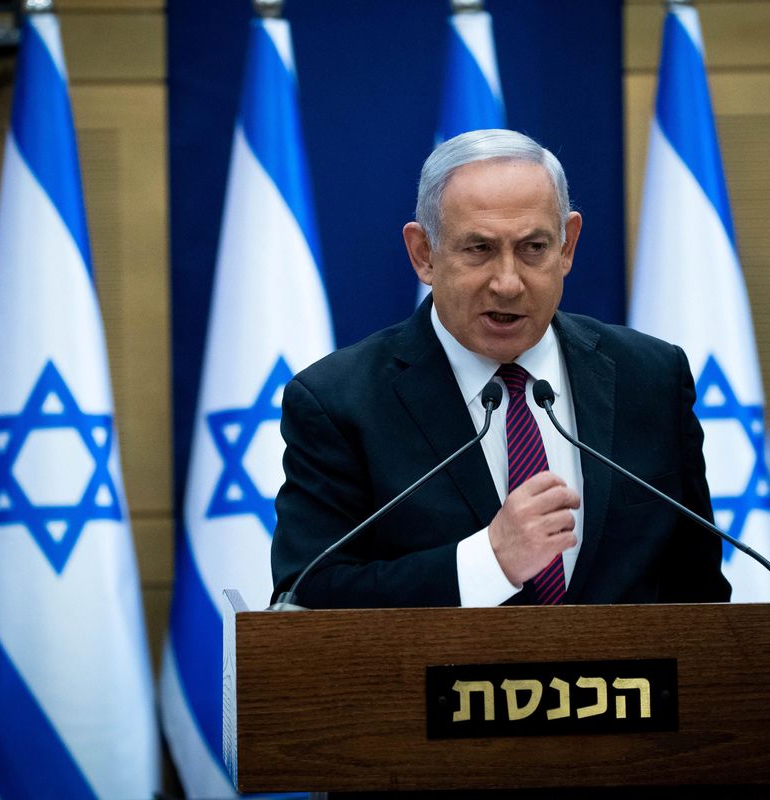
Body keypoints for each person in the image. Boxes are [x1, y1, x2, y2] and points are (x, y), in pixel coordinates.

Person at [271, 129, 730, 608]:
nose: (508, 283)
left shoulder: (651, 378)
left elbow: (698, 591)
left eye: (533, 247)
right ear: (424, 254)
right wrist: (489, 564)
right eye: (479, 249)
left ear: (567, 245)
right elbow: (307, 595)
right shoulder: (339, 402)